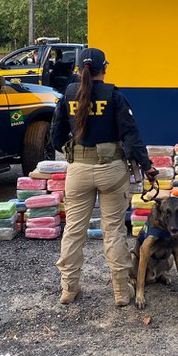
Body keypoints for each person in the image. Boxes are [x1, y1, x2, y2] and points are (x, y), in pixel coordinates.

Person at [51, 47, 155, 307]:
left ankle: (68, 288)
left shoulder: (68, 95)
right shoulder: (115, 97)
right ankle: (121, 292)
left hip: (78, 172)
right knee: (114, 231)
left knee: (74, 231)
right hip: (111, 170)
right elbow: (131, 135)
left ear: (78, 69)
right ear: (104, 68)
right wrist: (148, 168)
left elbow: (55, 137)